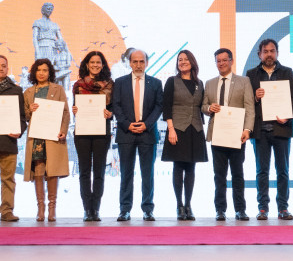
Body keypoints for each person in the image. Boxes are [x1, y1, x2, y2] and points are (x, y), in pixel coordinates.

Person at [246, 39, 293, 220]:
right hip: (260, 130)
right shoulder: (251, 74)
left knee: (283, 170)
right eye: (265, 51)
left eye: (272, 51)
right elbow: (246, 102)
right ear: (259, 54)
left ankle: (283, 208)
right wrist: (255, 97)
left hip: (281, 128)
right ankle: (263, 208)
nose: (269, 54)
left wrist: (288, 114)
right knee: (262, 171)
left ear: (277, 53)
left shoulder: (287, 72)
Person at [202, 48, 255, 221]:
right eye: (218, 61)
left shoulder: (244, 81)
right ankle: (220, 210)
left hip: (237, 135)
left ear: (231, 61)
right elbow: (203, 106)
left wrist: (247, 129)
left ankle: (240, 210)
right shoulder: (209, 83)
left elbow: (250, 108)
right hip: (217, 134)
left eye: (225, 60)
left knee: (238, 174)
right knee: (219, 175)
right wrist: (209, 108)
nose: (221, 63)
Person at [113, 49, 163, 221]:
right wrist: (128, 125)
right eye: (135, 61)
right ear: (129, 63)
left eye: (142, 61)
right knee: (126, 173)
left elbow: (158, 107)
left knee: (147, 173)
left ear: (147, 63)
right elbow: (116, 107)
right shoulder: (119, 83)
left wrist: (146, 124)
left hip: (147, 133)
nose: (138, 65)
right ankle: (124, 209)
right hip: (126, 133)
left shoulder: (156, 83)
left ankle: (148, 209)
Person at [161, 50, 208, 220]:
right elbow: (166, 106)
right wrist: (171, 129)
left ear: (192, 62)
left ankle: (189, 205)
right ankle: (179, 205)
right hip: (178, 130)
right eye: (180, 60)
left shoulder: (199, 83)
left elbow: (202, 105)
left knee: (191, 168)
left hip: (195, 130)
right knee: (178, 167)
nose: (182, 62)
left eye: (186, 59)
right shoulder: (172, 81)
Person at [23, 58, 70, 222]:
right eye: (38, 70)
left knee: (53, 171)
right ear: (34, 73)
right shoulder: (28, 92)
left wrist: (63, 131)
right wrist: (30, 110)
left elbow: (65, 112)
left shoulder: (58, 89)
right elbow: (25, 117)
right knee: (38, 170)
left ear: (50, 72)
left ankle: (52, 208)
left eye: (44, 70)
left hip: (53, 136)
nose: (41, 73)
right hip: (36, 137)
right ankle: (40, 208)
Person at [72, 51, 114, 222]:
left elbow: (114, 108)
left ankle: (95, 209)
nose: (95, 65)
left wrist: (110, 113)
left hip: (101, 131)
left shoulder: (110, 85)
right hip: (82, 131)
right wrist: (75, 110)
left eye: (99, 62)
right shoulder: (78, 85)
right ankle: (86, 209)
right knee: (83, 171)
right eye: (92, 62)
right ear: (87, 64)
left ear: (103, 65)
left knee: (99, 171)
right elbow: (75, 106)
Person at [0, 55, 27, 222]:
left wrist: (19, 130)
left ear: (7, 68)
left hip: (8, 142)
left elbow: (22, 118)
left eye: (3, 65)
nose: (0, 68)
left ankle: (7, 211)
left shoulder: (16, 90)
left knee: (8, 179)